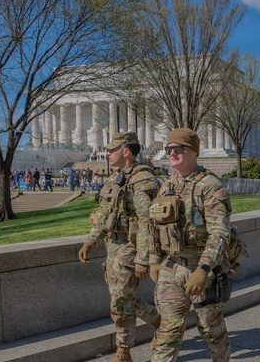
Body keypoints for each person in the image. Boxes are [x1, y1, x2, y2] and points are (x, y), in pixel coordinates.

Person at [147, 127, 232, 362]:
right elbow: (155, 226)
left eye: (177, 149)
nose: (171, 153)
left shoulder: (210, 186)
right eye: (168, 149)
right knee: (167, 332)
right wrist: (154, 260)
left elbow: (220, 234)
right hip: (172, 269)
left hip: (204, 271)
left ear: (193, 151)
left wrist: (203, 270)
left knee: (211, 332)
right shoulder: (167, 186)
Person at [78, 132, 162, 362]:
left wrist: (144, 258)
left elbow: (148, 221)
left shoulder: (142, 179)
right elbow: (105, 215)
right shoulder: (116, 178)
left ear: (126, 151)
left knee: (119, 301)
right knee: (125, 298)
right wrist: (91, 242)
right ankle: (160, 322)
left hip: (131, 248)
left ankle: (123, 352)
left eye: (111, 149)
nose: (107, 153)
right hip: (113, 248)